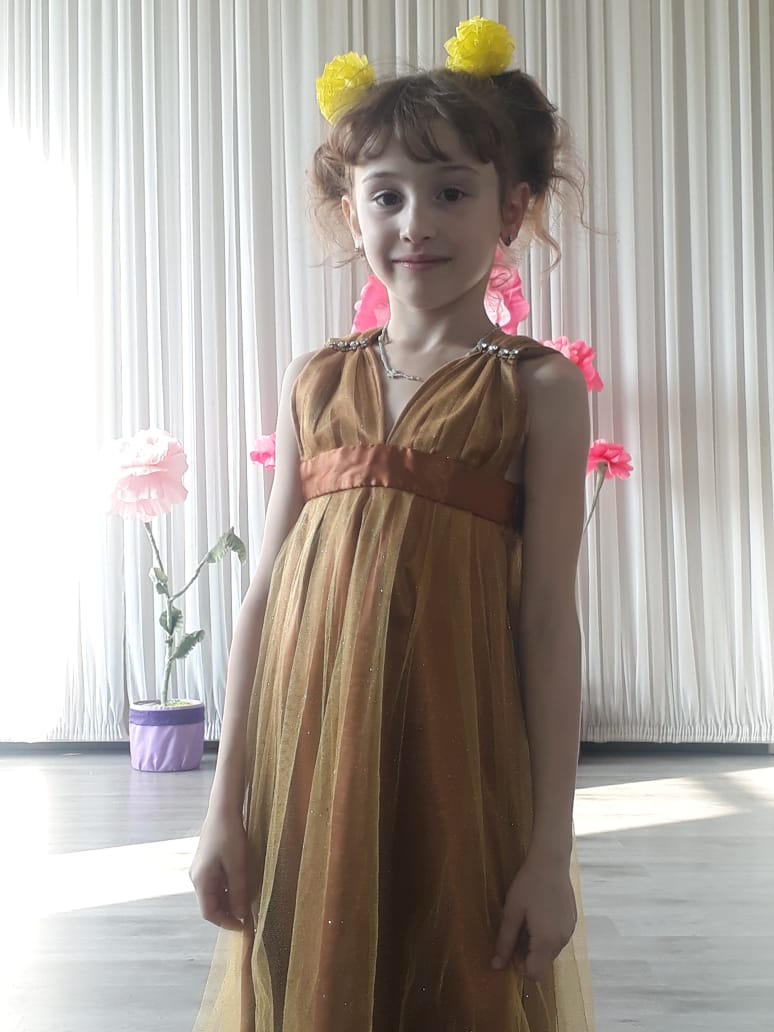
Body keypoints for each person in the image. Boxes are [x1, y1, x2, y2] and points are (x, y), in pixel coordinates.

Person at [191, 16, 595, 1031]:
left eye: (451, 191)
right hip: (307, 761)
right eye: (387, 195)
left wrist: (550, 851)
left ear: (512, 208)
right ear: (353, 211)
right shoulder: (316, 381)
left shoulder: (537, 389)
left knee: (456, 972)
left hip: (462, 758)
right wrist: (223, 807)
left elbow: (548, 621)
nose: (416, 222)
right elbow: (263, 597)